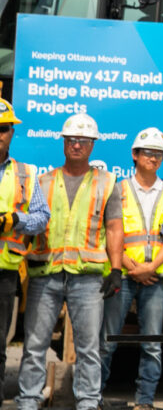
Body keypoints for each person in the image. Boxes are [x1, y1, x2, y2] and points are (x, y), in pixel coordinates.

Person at [17, 113, 125, 410]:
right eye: (72, 140)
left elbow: (115, 227)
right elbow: (28, 226)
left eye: (83, 141)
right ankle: (28, 401)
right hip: (45, 273)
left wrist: (115, 269)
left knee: (89, 348)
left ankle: (88, 402)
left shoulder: (108, 182)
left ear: (92, 145)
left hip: (88, 278)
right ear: (64, 143)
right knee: (35, 345)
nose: (77, 145)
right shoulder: (43, 181)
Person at [100, 127, 163, 410]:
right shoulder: (118, 190)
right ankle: (92, 397)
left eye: (159, 153)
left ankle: (145, 402)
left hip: (155, 277)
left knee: (152, 344)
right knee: (108, 340)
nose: (154, 158)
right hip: (122, 273)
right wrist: (128, 265)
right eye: (149, 152)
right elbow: (109, 231)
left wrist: (150, 267)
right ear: (135, 155)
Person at [0, 98, 50, 406]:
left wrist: (16, 220)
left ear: (12, 134)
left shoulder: (25, 174)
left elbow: (42, 217)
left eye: (4, 129)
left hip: (5, 273)